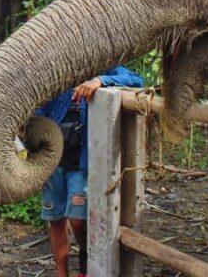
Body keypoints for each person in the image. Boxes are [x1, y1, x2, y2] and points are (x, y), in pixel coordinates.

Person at [35, 66, 143, 277]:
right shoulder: (53, 69)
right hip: (52, 159)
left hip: (81, 161)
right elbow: (39, 110)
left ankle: (85, 264)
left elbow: (136, 80)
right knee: (55, 219)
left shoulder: (101, 65)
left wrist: (99, 81)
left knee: (77, 220)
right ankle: (62, 273)